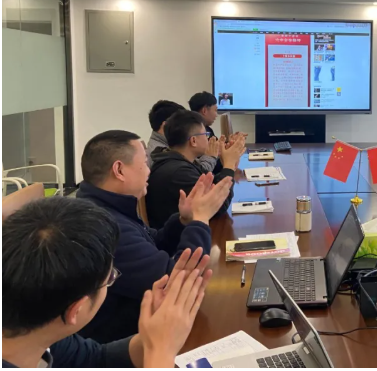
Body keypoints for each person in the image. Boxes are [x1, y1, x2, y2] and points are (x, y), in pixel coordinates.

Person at [2, 196, 212, 368]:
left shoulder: (38, 327)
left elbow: (96, 360)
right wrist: (161, 352)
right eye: (110, 277)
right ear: (76, 309)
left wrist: (155, 335)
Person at [75, 129, 233, 343]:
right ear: (119, 170)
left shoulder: (104, 205)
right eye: (144, 163)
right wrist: (200, 219)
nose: (149, 170)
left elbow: (152, 243)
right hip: (123, 344)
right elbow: (178, 285)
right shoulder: (102, 226)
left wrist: (184, 220)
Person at [146, 110, 245, 229]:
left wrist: (228, 165)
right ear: (193, 141)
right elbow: (218, 206)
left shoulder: (180, 161)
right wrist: (229, 165)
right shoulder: (178, 172)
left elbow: (211, 185)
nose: (208, 138)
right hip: (182, 237)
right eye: (205, 135)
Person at [146, 99, 219, 173]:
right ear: (165, 125)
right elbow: (192, 173)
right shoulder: (157, 154)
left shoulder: (166, 146)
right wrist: (210, 156)